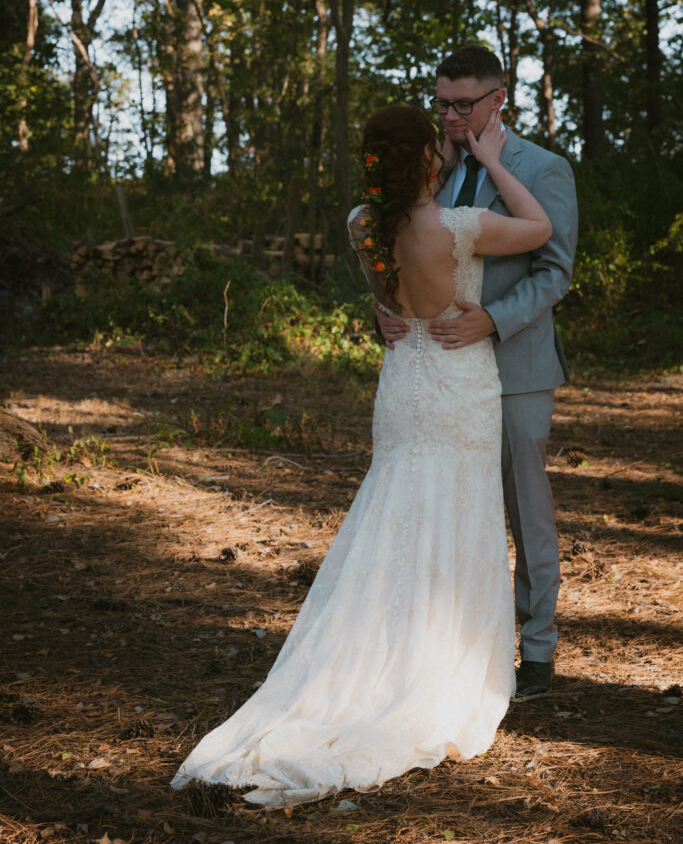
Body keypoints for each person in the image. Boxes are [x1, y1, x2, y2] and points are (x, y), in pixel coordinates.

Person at [171, 104, 552, 809]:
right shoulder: (457, 227)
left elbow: (384, 288)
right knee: (456, 516)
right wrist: (494, 161)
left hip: (402, 383)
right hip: (458, 383)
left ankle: (375, 656)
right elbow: (540, 229)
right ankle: (439, 667)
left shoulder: (359, 224)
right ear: (428, 164)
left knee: (392, 513)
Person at [376, 46, 579, 697]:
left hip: (514, 366)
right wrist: (378, 308)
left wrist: (491, 318)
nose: (450, 115)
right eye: (441, 102)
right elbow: (398, 258)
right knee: (452, 507)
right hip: (439, 377)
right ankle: (457, 645)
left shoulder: (541, 168)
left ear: (498, 102)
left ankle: (538, 651)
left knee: (525, 509)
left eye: (463, 103)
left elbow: (555, 271)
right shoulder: (422, 174)